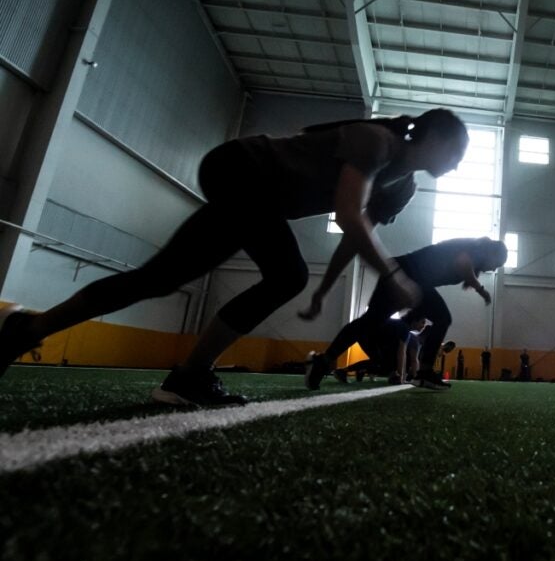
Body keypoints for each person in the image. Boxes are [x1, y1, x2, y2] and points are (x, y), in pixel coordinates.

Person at [0, 110, 469, 406]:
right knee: (286, 274)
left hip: (254, 194)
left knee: (157, 279)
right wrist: (393, 273)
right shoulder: (377, 143)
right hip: (240, 168)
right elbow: (349, 215)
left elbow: (355, 233)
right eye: (458, 150)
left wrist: (325, 292)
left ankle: (27, 329)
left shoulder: (402, 185)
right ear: (433, 138)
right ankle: (190, 376)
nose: (458, 162)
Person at [304, 237, 507, 390]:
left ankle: (322, 362)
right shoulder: (477, 249)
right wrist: (480, 289)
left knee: (370, 322)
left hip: (409, 277)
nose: (493, 269)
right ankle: (424, 372)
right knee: (440, 318)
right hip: (406, 276)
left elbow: (461, 265)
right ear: (492, 254)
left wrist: (472, 280)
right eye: (495, 265)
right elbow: (462, 263)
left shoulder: (475, 252)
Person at [333, 314, 428, 385]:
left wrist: (399, 375)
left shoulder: (403, 328)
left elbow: (400, 353)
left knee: (379, 360)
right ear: (414, 320)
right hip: (365, 332)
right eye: (422, 322)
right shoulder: (404, 328)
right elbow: (401, 353)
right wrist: (401, 377)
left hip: (367, 334)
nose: (423, 325)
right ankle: (344, 371)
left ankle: (353, 371)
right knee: (378, 360)